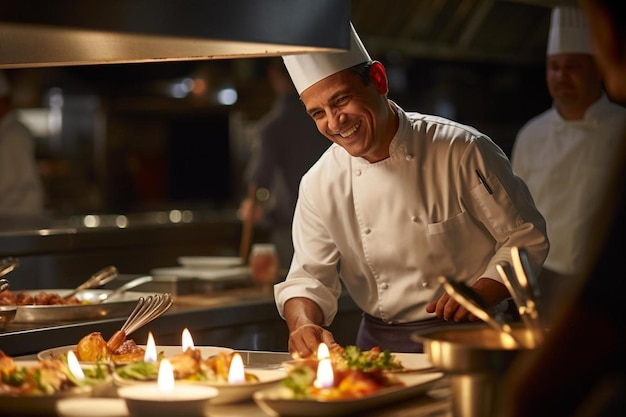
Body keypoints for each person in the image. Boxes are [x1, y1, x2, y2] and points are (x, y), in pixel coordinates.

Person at [274, 23, 549, 357]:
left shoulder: (462, 150)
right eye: (318, 113)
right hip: (378, 350)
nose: (334, 123)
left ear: (378, 80)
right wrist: (303, 324)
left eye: (341, 100)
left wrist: (480, 293)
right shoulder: (320, 182)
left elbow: (525, 238)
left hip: (472, 343)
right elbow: (308, 278)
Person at [499, 1, 626, 415]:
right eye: (554, 67)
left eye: (573, 66)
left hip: (596, 289)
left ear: (598, 65)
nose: (561, 77)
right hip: (538, 284)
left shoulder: (621, 128)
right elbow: (513, 217)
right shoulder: (532, 133)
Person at [239, 58, 328, 269]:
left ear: (274, 76)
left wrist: (252, 207)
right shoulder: (326, 119)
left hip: (292, 230)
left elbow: (258, 181)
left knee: (296, 290)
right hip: (336, 226)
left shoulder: (273, 126)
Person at [0, 70, 46, 227]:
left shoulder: (14, 133)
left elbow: (9, 180)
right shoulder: (7, 130)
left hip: (18, 216)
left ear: (3, 101)